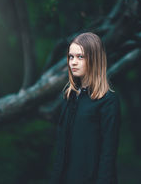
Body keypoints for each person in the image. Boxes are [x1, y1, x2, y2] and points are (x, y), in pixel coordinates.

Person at [50, 32, 121, 184]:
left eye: (80, 57)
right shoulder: (69, 98)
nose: (73, 62)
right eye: (71, 56)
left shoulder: (108, 101)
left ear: (94, 59)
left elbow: (108, 154)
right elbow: (62, 151)